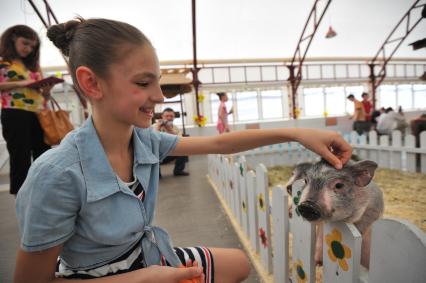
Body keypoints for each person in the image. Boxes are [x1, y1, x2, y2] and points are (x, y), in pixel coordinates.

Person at [14, 18, 352, 283]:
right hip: (98, 274)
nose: (161, 96)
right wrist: (145, 278)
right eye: (144, 83)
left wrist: (296, 134)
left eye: (158, 82)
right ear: (91, 83)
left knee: (236, 264)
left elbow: (220, 143)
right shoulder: (57, 175)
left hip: (144, 256)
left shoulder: (143, 140)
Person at [0, 25, 53, 195]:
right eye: (25, 43)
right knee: (20, 158)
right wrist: (22, 83)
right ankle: (22, 202)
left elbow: (44, 97)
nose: (28, 49)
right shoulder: (3, 61)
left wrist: (46, 91)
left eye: (32, 46)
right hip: (15, 112)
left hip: (39, 113)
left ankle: (44, 196)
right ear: (13, 38)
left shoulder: (33, 65)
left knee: (44, 156)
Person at [155, 107, 189, 176]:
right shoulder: (154, 126)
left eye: (171, 116)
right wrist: (158, 127)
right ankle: (156, 175)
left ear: (174, 117)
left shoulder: (176, 128)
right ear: (162, 116)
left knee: (183, 150)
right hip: (157, 154)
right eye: (167, 116)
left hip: (169, 153)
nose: (169, 118)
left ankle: (178, 171)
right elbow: (152, 139)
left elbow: (180, 141)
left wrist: (170, 130)